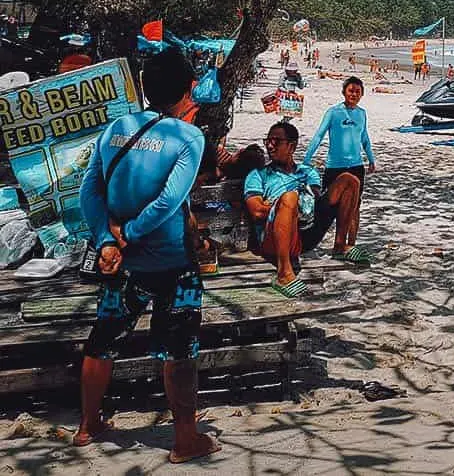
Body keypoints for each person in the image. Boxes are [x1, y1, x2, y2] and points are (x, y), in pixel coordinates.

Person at [75, 48, 219, 462]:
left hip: (119, 263)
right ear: (189, 88)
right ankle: (184, 440)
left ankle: (88, 426)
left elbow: (90, 190)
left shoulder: (118, 126)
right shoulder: (188, 137)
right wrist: (131, 236)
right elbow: (168, 201)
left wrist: (107, 239)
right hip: (172, 263)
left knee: (102, 339)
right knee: (181, 351)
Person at [245, 120, 368, 297]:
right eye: (268, 141)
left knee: (350, 180)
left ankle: (341, 245)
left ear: (291, 146)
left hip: (307, 230)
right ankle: (283, 273)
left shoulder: (307, 171)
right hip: (274, 238)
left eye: (276, 141)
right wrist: (284, 207)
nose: (270, 146)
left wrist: (296, 204)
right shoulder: (258, 176)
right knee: (290, 198)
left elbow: (316, 200)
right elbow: (256, 210)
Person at [304, 76, 376, 192]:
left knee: (353, 205)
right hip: (335, 166)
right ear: (344, 92)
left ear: (362, 94)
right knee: (329, 205)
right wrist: (306, 160)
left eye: (358, 92)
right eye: (351, 91)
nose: (354, 94)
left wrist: (371, 160)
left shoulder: (362, 113)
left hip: (356, 166)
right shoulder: (333, 112)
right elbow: (319, 136)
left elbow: (365, 138)